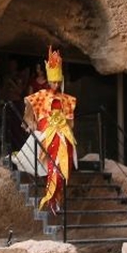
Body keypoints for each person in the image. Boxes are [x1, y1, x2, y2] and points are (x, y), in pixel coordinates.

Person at [17, 46, 77, 214]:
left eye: (58, 81)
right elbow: (28, 107)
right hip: (48, 134)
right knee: (53, 168)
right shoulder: (41, 95)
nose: (55, 84)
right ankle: (51, 199)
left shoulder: (67, 99)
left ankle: (56, 198)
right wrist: (31, 124)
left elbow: (70, 121)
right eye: (53, 81)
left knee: (63, 168)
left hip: (63, 136)